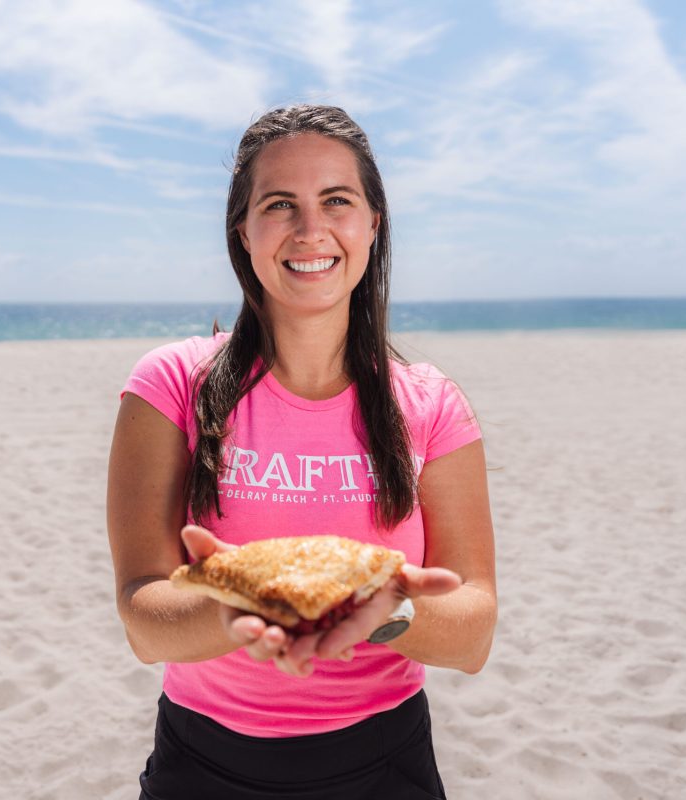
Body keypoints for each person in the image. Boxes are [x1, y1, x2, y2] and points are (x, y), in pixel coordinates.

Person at [107, 104, 497, 799]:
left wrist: (387, 611)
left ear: (373, 223)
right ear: (244, 229)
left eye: (337, 201)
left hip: (385, 764)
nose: (311, 230)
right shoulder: (170, 384)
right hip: (204, 766)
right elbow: (144, 620)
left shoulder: (432, 404)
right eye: (280, 204)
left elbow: (472, 634)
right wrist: (247, 606)